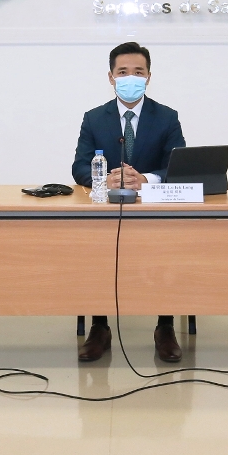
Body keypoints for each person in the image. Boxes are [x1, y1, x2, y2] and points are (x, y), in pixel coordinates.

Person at [71, 42, 186, 362]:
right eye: (123, 72)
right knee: (97, 254)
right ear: (111, 77)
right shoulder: (94, 118)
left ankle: (165, 325)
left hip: (155, 213)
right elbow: (79, 167)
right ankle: (100, 326)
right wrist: (103, 179)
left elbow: (178, 166)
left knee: (167, 251)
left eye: (138, 72)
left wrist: (146, 179)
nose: (130, 78)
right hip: (107, 213)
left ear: (149, 77)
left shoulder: (167, 117)